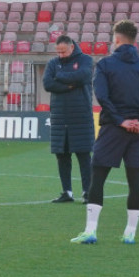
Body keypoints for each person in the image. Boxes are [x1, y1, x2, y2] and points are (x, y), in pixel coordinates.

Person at [71, 20, 139, 245]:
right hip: (137, 131)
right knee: (135, 180)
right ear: (135, 40)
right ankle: (130, 233)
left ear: (117, 39)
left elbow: (102, 97)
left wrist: (121, 120)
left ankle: (90, 231)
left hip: (113, 127)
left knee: (98, 176)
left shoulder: (105, 65)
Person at [43, 35, 94, 203]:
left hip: (81, 115)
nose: (61, 55)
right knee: (62, 155)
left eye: (63, 51)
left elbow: (84, 76)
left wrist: (60, 76)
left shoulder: (86, 60)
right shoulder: (52, 63)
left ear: (72, 47)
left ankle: (88, 192)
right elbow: (47, 84)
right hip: (59, 117)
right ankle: (67, 192)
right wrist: (70, 84)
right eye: (58, 52)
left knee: (83, 156)